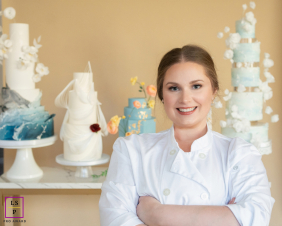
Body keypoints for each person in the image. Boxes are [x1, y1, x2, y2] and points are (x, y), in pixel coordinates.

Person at [99, 45, 275, 226]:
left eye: (196, 86)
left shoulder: (239, 154)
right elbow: (114, 218)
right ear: (161, 95)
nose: (185, 99)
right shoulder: (131, 149)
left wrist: (157, 214)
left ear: (213, 91)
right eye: (174, 88)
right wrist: (223, 217)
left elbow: (257, 217)